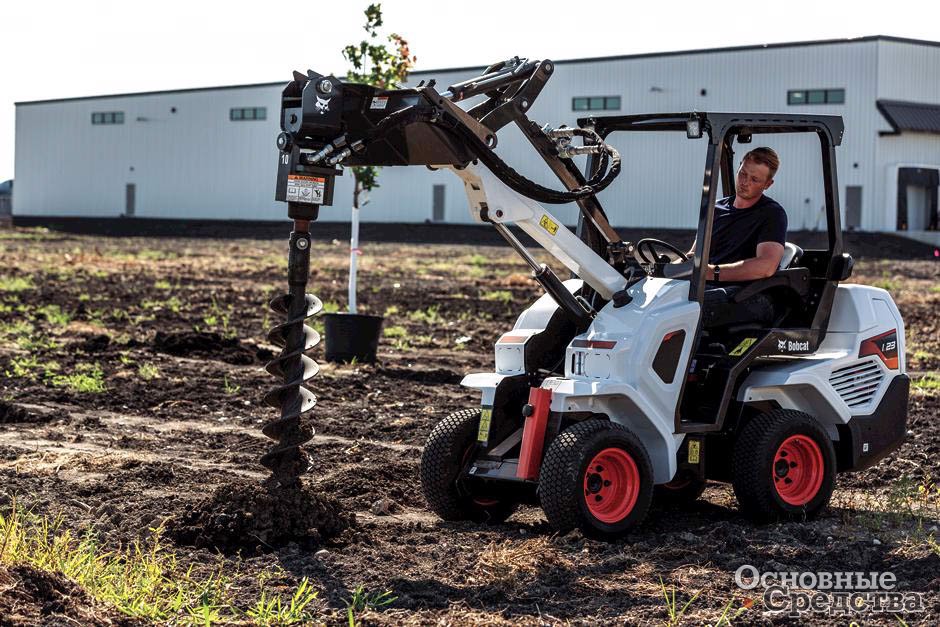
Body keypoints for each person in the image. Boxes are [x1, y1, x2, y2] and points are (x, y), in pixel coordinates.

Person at [687, 147, 787, 282]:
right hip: (705, 286)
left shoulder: (772, 214)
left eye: (754, 179)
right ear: (739, 167)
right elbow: (694, 254)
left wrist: (712, 272)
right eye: (743, 174)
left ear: (768, 184)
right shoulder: (715, 208)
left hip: (742, 294)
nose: (745, 182)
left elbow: (766, 266)